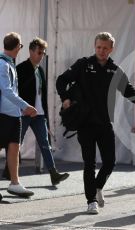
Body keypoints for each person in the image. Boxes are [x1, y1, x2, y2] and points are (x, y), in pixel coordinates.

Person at [56, 32, 135, 214]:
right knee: (89, 163)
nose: (101, 51)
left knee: (110, 162)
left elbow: (127, 88)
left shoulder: (115, 70)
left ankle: (98, 187)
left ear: (111, 49)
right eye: (99, 47)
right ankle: (91, 200)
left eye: (105, 48)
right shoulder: (83, 64)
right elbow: (62, 80)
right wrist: (65, 98)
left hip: (105, 122)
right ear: (95, 46)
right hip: (85, 122)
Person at [14, 37, 69, 185]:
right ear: (31, 51)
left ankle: (53, 173)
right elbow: (15, 92)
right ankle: (10, 172)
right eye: (39, 52)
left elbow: (42, 95)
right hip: (25, 113)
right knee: (16, 143)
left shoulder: (41, 70)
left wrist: (45, 116)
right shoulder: (20, 68)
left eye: (43, 53)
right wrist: (22, 108)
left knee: (45, 143)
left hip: (39, 114)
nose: (41, 55)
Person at [0, 32, 37, 197]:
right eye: (21, 45)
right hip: (4, 113)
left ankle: (15, 183)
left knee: (14, 147)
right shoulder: (2, 64)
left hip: (14, 113)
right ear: (18, 47)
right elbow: (6, 90)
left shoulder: (9, 62)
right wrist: (25, 106)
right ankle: (14, 182)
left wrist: (21, 108)